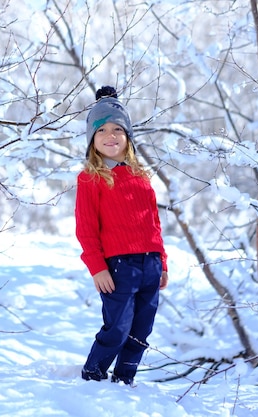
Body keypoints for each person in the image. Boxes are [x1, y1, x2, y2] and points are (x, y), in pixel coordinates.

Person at [75, 85, 169, 387]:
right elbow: (86, 228)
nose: (110, 136)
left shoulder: (141, 176)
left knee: (142, 328)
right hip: (118, 267)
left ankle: (125, 379)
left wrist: (162, 261)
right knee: (118, 326)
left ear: (128, 136)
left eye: (118, 129)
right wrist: (97, 267)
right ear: (92, 139)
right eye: (101, 130)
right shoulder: (90, 178)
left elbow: (153, 222)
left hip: (150, 264)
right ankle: (93, 375)